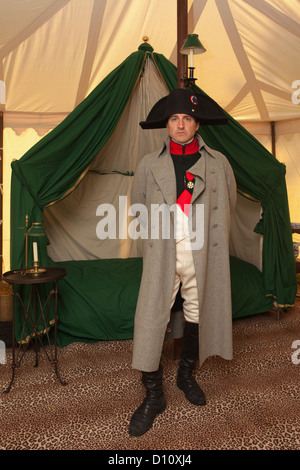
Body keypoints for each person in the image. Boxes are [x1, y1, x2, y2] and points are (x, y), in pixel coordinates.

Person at [129, 88, 237, 437]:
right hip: (163, 251)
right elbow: (139, 208)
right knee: (151, 316)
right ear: (167, 125)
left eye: (186, 118)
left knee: (197, 311)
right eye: (174, 118)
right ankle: (154, 395)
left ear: (196, 123)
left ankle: (186, 375)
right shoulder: (149, 165)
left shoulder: (218, 162)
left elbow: (230, 203)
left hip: (203, 253)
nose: (180, 124)